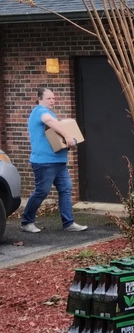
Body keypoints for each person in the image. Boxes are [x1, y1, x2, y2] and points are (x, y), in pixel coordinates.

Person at [20, 86, 88, 233]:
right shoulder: (40, 112)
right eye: (49, 98)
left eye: (53, 98)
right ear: (39, 99)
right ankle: (26, 222)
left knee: (66, 189)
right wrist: (68, 136)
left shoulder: (49, 113)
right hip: (44, 162)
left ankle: (68, 223)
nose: (52, 101)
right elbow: (50, 122)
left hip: (59, 161)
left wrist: (68, 141)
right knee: (41, 191)